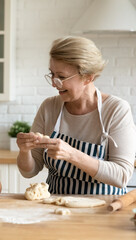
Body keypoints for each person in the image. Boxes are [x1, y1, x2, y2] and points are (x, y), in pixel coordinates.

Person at [16, 36, 136, 195]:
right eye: (52, 74)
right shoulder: (49, 107)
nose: (54, 83)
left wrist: (72, 154)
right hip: (55, 207)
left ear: (88, 77)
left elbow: (122, 176)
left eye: (61, 77)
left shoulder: (116, 110)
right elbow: (29, 172)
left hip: (104, 210)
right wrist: (24, 151)